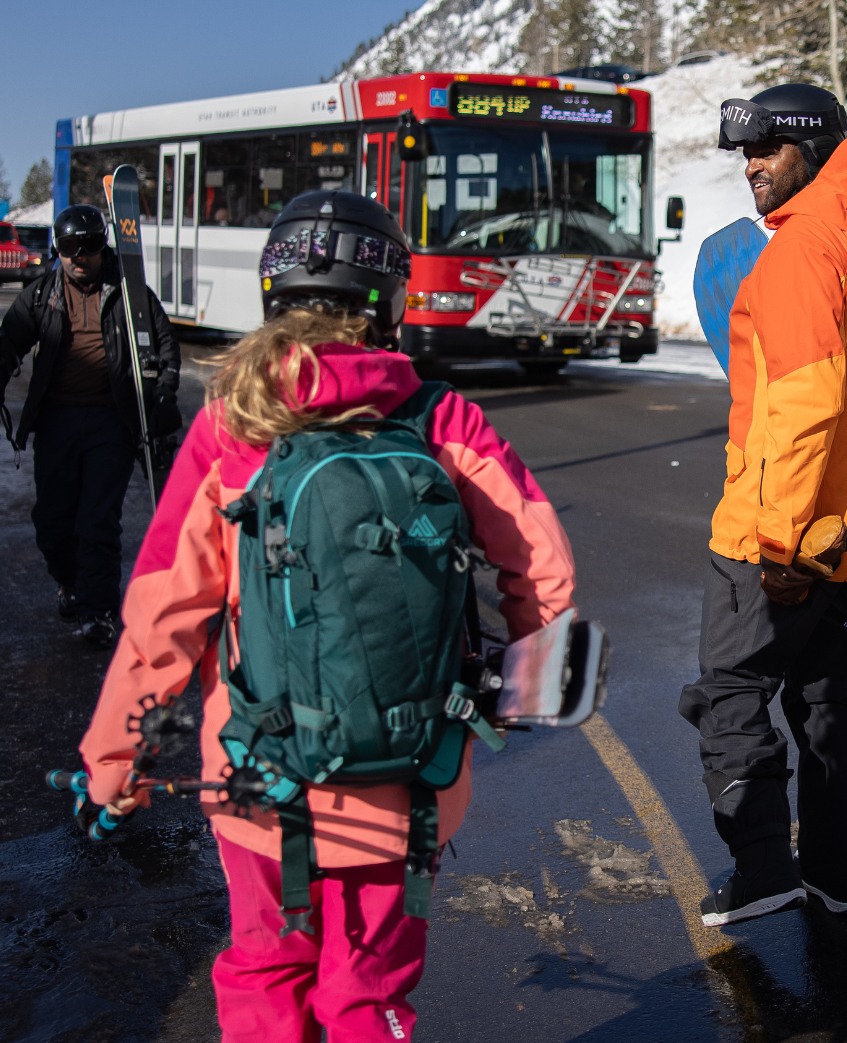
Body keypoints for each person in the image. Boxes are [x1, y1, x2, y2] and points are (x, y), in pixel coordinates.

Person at [74, 190, 577, 1041]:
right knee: (368, 993)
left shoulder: (232, 423)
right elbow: (545, 574)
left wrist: (115, 762)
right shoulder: (439, 417)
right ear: (389, 299)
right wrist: (519, 691)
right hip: (408, 777)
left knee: (264, 973)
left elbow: (164, 614)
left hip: (259, 776)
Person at [677, 83, 847, 927]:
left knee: (731, 693)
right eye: (746, 153)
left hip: (779, 531)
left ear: (811, 151)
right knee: (827, 702)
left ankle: (759, 870)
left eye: (767, 151)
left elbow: (803, 407)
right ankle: (842, 876)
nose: (751, 167)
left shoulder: (801, 251)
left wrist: (778, 545)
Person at [0, 204, 182, 647]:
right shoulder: (41, 295)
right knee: (51, 520)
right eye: (69, 247)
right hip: (57, 419)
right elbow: (7, 346)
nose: (79, 255)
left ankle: (98, 610)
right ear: (57, 249)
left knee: (97, 520)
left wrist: (162, 397)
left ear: (103, 247)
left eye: (88, 246)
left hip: (112, 420)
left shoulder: (129, 295)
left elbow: (163, 346)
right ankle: (69, 582)